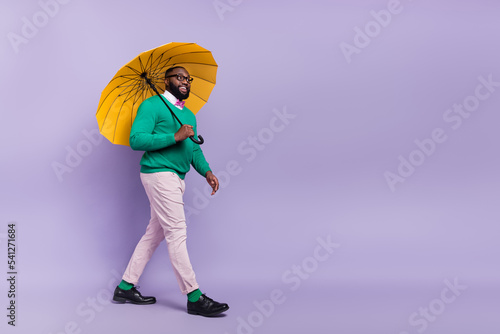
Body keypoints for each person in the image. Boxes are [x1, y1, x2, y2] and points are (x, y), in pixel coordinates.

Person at [112, 66, 229, 317]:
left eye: (188, 78)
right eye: (180, 77)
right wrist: (174, 136)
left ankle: (125, 287)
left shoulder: (189, 115)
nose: (185, 81)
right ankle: (194, 296)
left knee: (154, 234)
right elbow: (137, 139)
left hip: (177, 177)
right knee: (177, 231)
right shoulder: (152, 106)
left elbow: (194, 149)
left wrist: (207, 172)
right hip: (158, 173)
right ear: (166, 81)